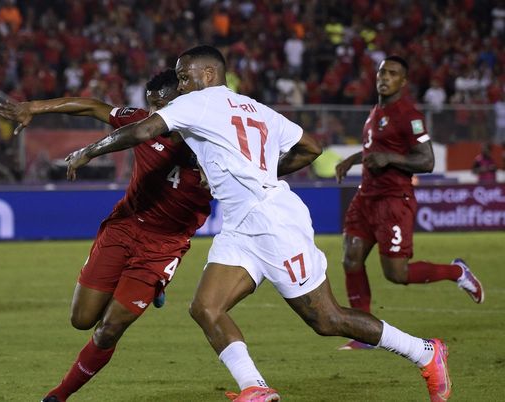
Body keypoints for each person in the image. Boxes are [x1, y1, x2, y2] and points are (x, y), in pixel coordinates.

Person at [66, 45, 452, 402]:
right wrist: (264, 168)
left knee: (326, 318)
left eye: (185, 77)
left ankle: (425, 352)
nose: (180, 85)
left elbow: (142, 130)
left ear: (209, 75)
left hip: (273, 221)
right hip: (239, 224)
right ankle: (255, 388)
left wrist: (88, 150)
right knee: (206, 308)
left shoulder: (198, 103)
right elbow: (310, 148)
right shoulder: (253, 107)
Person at [0, 69, 213, 402]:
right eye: (151, 107)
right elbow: (93, 107)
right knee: (81, 320)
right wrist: (33, 108)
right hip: (124, 226)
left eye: (161, 107)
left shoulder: (213, 145)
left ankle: (58, 396)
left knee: (108, 329)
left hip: (163, 246)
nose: (154, 115)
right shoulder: (141, 123)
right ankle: (145, 290)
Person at [335, 56, 484, 350]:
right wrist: (352, 160)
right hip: (366, 197)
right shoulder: (376, 111)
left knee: (397, 274)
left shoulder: (408, 115)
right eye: (382, 73)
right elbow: (374, 151)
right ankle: (364, 334)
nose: (385, 78)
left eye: (392, 74)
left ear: (403, 81)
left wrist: (391, 158)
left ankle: (457, 272)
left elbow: (427, 160)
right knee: (350, 258)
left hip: (393, 200)